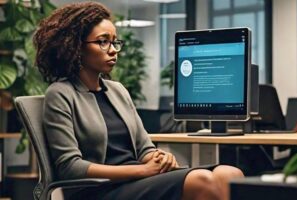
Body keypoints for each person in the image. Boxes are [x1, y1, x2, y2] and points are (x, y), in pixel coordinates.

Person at [33, 2, 244, 200]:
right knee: (202, 181)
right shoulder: (60, 94)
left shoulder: (117, 91)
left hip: (137, 180)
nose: (113, 50)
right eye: (103, 42)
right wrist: (141, 170)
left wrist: (158, 157)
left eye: (114, 41)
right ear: (75, 47)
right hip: (98, 189)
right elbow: (70, 167)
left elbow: (144, 149)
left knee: (230, 174)